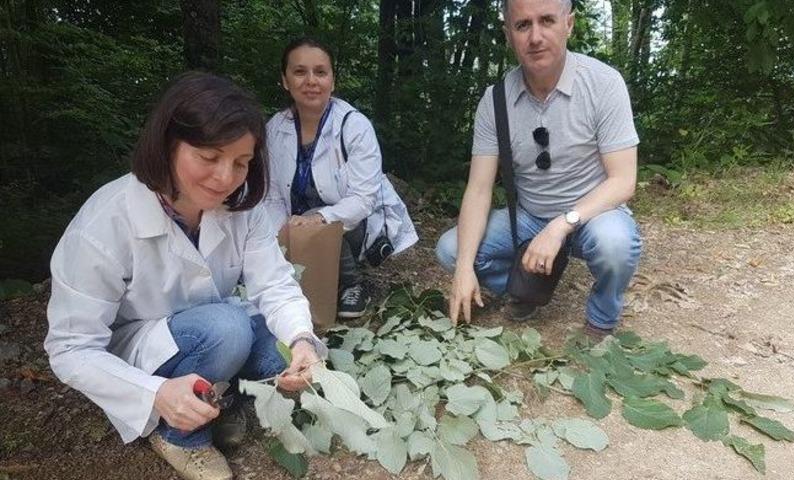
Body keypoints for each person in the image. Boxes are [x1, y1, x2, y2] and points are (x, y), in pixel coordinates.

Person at [44, 72, 326, 480]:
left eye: (241, 163)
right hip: (145, 348)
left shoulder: (242, 210)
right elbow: (70, 348)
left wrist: (302, 341)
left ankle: (218, 400)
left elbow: (275, 284)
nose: (225, 178)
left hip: (212, 324)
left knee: (281, 352)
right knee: (227, 329)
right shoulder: (105, 223)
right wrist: (154, 392)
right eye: (209, 157)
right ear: (167, 144)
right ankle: (178, 435)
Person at [435, 0, 642, 337]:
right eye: (522, 25)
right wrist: (463, 269)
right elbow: (479, 189)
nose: (535, 37)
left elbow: (623, 181)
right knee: (451, 250)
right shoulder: (495, 100)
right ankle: (524, 288)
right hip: (529, 217)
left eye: (547, 20)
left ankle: (601, 319)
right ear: (508, 34)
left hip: (592, 215)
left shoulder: (604, 83)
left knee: (616, 245)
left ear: (569, 24)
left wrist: (560, 226)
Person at [266, 37, 417, 319]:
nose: (311, 81)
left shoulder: (354, 126)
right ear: (285, 80)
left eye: (320, 72)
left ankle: (352, 283)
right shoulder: (275, 128)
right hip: (297, 227)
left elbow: (362, 200)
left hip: (355, 225)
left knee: (317, 216)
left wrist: (316, 219)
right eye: (299, 72)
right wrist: (281, 235)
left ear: (332, 81)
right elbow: (272, 195)